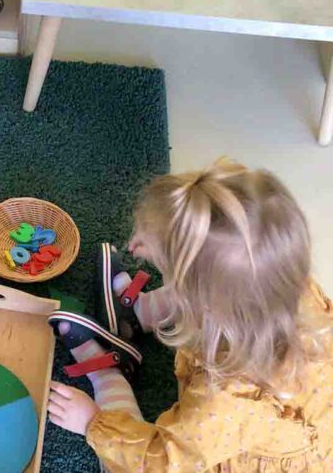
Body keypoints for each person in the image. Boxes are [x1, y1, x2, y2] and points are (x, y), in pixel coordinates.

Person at [47, 159, 333, 471]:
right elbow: (216, 250)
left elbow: (163, 462)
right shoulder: (281, 283)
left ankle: (109, 376)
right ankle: (135, 314)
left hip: (211, 454)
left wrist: (91, 422)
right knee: (218, 278)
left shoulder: (221, 402)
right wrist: (160, 236)